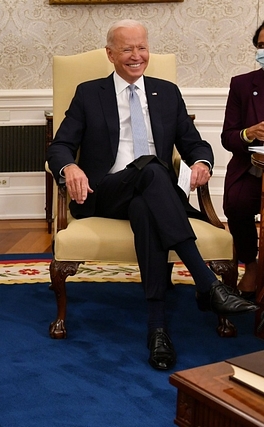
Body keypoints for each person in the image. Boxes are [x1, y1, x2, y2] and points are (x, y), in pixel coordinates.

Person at [47, 19, 258, 371]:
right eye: (127, 49)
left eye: (142, 47)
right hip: (106, 193)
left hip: (152, 196)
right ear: (110, 54)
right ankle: (207, 284)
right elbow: (61, 146)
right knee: (151, 167)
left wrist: (202, 162)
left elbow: (195, 143)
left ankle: (157, 330)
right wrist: (70, 168)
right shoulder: (89, 93)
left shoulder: (167, 92)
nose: (136, 55)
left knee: (147, 205)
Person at [221, 21, 264, 301]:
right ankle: (251, 265)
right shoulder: (243, 84)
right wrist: (249, 134)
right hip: (254, 167)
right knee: (237, 202)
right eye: (261, 46)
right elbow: (228, 136)